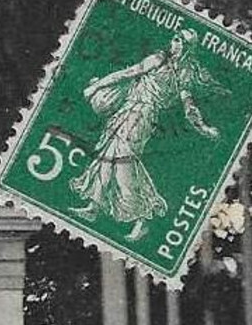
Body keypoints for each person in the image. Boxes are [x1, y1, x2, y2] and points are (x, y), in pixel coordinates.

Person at [68, 27, 221, 242]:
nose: (174, 44)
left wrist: (204, 128)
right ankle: (94, 206)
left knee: (123, 163)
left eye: (180, 41)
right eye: (175, 39)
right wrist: (99, 86)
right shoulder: (160, 59)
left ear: (187, 48)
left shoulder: (181, 74)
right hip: (129, 111)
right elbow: (128, 73)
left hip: (142, 117)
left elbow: (189, 107)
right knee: (107, 155)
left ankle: (141, 217)